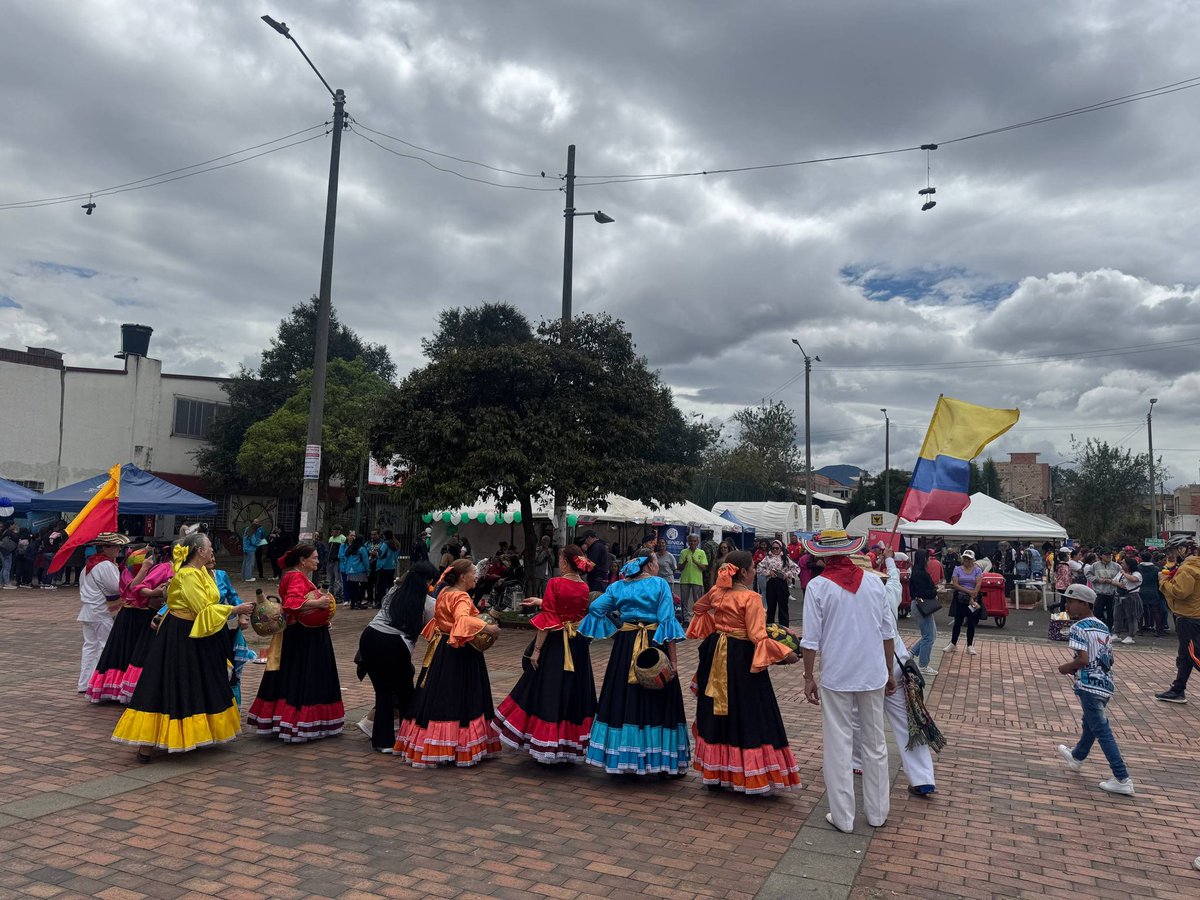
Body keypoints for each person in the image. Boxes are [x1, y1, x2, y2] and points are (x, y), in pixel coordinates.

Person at [112, 533, 255, 761]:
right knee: (168, 682)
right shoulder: (188, 575)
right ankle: (146, 746)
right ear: (199, 551)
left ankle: (195, 736)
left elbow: (211, 604)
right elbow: (204, 609)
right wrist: (235, 611)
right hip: (180, 635)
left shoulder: (203, 573)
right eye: (209, 547)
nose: (212, 551)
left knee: (200, 682)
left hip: (200, 635)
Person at [799, 529, 897, 833]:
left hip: (838, 675)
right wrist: (890, 672)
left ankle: (843, 817)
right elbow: (887, 633)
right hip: (872, 673)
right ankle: (878, 813)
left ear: (821, 554)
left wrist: (807, 676)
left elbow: (810, 641)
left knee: (838, 744)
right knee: (875, 743)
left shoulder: (817, 586)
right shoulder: (873, 582)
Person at [687, 551, 800, 794]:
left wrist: (717, 629)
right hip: (741, 658)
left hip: (716, 653)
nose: (755, 572)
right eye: (754, 569)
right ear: (745, 572)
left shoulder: (718, 591)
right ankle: (746, 773)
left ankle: (715, 772)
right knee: (748, 710)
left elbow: (699, 608)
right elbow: (757, 636)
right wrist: (786, 654)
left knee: (717, 708)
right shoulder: (752, 598)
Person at [578, 551, 690, 776]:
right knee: (657, 696)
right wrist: (674, 663)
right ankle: (659, 760)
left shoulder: (619, 586)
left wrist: (617, 626)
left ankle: (623, 758)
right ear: (648, 565)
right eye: (656, 562)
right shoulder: (659, 584)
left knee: (623, 696)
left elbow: (595, 609)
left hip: (625, 646)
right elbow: (667, 622)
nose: (657, 566)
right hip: (654, 643)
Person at [492, 545, 597, 763]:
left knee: (548, 689)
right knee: (570, 690)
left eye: (560, 558)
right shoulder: (584, 587)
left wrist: (537, 650)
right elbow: (569, 611)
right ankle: (567, 744)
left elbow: (548, 620)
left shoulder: (555, 582)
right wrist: (541, 602)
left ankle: (545, 743)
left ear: (565, 562)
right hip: (576, 645)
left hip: (556, 645)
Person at [394, 559, 502, 766]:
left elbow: (442, 620)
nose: (476, 576)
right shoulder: (461, 596)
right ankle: (456, 745)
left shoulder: (444, 592)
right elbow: (462, 620)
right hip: (459, 649)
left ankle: (428, 741)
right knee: (457, 696)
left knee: (437, 692)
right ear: (462, 576)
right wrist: (488, 628)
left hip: (442, 647)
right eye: (473, 572)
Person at [246, 544, 344, 742]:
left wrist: (322, 617)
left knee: (292, 676)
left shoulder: (296, 575)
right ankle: (296, 723)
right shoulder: (295, 577)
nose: (318, 561)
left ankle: (289, 721)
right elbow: (291, 603)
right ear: (303, 560)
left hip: (305, 633)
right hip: (302, 636)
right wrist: (319, 604)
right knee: (302, 677)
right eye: (315, 558)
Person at [1054, 584, 1135, 795]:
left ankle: (1122, 777)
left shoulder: (1078, 628)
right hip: (1105, 684)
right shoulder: (1102, 626)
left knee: (1101, 729)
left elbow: (1082, 659)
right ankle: (1077, 756)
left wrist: (1066, 668)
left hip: (1088, 685)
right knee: (1091, 722)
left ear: (1084, 604)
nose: (1067, 605)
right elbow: (1110, 658)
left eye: (1071, 601)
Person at [356, 561, 437, 752]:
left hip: (370, 637)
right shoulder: (428, 603)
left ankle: (383, 742)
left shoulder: (393, 592)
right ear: (428, 582)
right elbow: (433, 631)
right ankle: (407, 738)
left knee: (383, 692)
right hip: (394, 644)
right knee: (405, 693)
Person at [76, 533, 127, 693]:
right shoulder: (104, 565)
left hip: (89, 611)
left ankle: (84, 683)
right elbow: (115, 588)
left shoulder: (89, 565)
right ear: (105, 547)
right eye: (116, 546)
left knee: (90, 646)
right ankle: (96, 683)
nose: (119, 549)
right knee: (103, 647)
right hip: (102, 612)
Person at [1154, 536, 1200, 704]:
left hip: (1189, 617)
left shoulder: (1188, 569)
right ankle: (1178, 689)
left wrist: (1163, 582)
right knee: (1185, 657)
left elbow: (1181, 592)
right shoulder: (1193, 566)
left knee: (1193, 655)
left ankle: (1178, 689)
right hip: (1193, 615)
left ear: (1182, 550)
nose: (1172, 555)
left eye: (1173, 551)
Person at [210, 558, 256, 709]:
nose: (213, 559)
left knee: (226, 669)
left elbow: (233, 597)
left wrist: (242, 613)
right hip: (198, 630)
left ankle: (226, 708)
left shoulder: (221, 575)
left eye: (213, 554)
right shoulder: (190, 576)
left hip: (220, 629)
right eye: (208, 553)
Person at [908, 549, 940, 676]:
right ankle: (923, 665)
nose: (929, 560)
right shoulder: (921, 574)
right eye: (928, 558)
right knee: (929, 637)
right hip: (922, 605)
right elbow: (924, 592)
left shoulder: (914, 572)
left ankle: (911, 653)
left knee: (930, 634)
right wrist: (936, 591)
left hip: (918, 605)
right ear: (925, 559)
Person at [945, 549, 983, 655]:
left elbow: (978, 584)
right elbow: (955, 584)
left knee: (971, 622)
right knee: (958, 621)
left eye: (969, 559)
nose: (967, 561)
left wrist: (973, 594)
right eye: (965, 558)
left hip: (973, 598)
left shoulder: (977, 570)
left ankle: (970, 645)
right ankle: (953, 643)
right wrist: (968, 592)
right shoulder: (957, 569)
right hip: (960, 597)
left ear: (973, 560)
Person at [757, 539, 800, 627]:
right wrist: (768, 572)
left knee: (783, 607)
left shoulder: (785, 558)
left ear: (781, 548)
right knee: (771, 607)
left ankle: (784, 628)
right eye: (773, 548)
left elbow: (796, 568)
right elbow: (759, 568)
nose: (775, 550)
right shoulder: (767, 558)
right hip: (771, 584)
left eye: (777, 548)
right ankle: (770, 628)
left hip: (782, 583)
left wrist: (787, 574)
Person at [1113, 556, 1143, 645]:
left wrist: (1124, 574)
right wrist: (1119, 584)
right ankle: (1116, 633)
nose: (1121, 564)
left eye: (1123, 563)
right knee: (1117, 616)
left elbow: (1134, 579)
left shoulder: (1137, 573)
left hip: (1131, 597)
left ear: (1129, 565)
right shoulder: (1120, 573)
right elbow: (1113, 581)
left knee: (1132, 617)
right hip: (1119, 596)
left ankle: (1131, 635)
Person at [677, 534, 708, 619]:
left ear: (698, 542)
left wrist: (696, 562)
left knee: (698, 601)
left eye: (694, 541)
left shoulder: (701, 552)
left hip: (697, 580)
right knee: (684, 601)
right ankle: (685, 619)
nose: (692, 543)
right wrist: (685, 562)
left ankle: (697, 618)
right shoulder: (683, 552)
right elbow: (679, 568)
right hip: (685, 580)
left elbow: (704, 567)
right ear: (688, 542)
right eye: (690, 541)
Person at [1138, 552, 1169, 637]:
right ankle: (1158, 631)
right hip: (1153, 591)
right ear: (1150, 558)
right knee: (1156, 612)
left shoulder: (1138, 568)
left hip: (1141, 591)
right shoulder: (1156, 569)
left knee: (1141, 611)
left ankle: (1140, 630)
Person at [1089, 549, 1120, 629]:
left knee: (1111, 613)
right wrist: (1097, 579)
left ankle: (1109, 629)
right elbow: (1089, 575)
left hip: (1111, 593)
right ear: (1101, 556)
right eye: (1106, 555)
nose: (1108, 556)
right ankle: (1096, 628)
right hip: (1099, 593)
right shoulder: (1095, 565)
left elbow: (1121, 576)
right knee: (1097, 612)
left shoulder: (1116, 566)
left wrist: (1113, 581)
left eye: (1110, 555)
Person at [340, 532, 370, 609]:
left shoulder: (350, 548)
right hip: (359, 571)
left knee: (352, 588)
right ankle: (358, 602)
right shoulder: (362, 549)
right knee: (360, 588)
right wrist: (368, 570)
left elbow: (345, 558)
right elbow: (366, 561)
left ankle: (352, 603)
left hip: (349, 571)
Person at [373, 530, 399, 608]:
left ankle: (380, 602)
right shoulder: (397, 543)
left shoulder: (385, 544)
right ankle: (390, 601)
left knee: (381, 586)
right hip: (392, 566)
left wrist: (375, 553)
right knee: (390, 585)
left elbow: (380, 554)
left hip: (383, 566)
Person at [241, 517, 265, 582]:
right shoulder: (252, 531)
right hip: (250, 549)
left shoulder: (247, 529)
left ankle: (243, 577)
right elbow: (253, 542)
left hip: (245, 548)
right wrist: (260, 542)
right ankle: (248, 577)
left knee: (245, 563)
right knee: (250, 564)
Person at [326, 526, 346, 599]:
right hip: (330, 560)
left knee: (337, 579)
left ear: (338, 531)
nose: (333, 532)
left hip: (337, 561)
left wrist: (339, 557)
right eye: (333, 530)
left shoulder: (343, 538)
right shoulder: (331, 538)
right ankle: (330, 594)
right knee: (330, 579)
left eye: (335, 531)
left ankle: (338, 595)